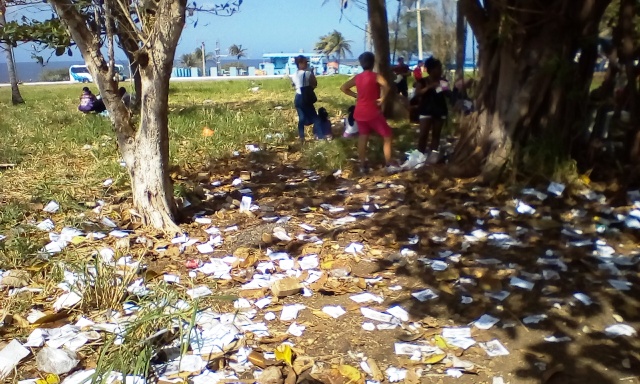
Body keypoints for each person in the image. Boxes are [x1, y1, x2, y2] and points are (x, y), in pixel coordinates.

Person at [340, 51, 398, 174]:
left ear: (361, 64)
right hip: (372, 112)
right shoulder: (376, 76)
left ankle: (362, 164)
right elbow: (387, 86)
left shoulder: (358, 77)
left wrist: (356, 95)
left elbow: (343, 88)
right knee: (387, 135)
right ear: (373, 63)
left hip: (360, 112)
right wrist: (382, 99)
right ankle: (389, 161)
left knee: (363, 136)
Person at [415, 57, 451, 157]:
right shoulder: (422, 81)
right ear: (431, 69)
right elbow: (417, 93)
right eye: (438, 68)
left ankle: (432, 157)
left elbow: (448, 94)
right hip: (426, 110)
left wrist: (447, 89)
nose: (440, 71)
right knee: (423, 135)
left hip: (439, 110)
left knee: (436, 135)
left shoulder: (442, 81)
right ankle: (419, 157)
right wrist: (429, 87)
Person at [290, 55, 318, 143]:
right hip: (305, 98)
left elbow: (293, 85)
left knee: (301, 118)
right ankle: (317, 134)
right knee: (315, 118)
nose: (307, 64)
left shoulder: (294, 75)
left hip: (297, 97)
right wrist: (312, 72)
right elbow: (314, 84)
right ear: (300, 63)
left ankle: (301, 137)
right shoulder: (308, 73)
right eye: (306, 62)